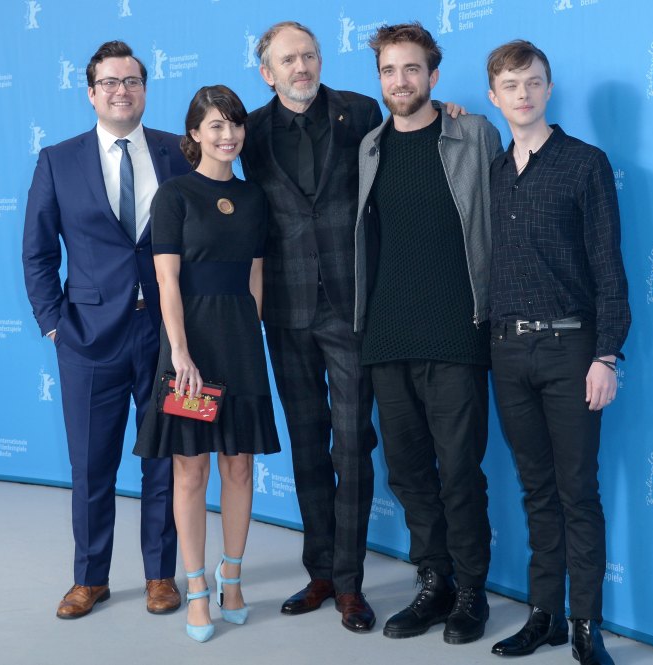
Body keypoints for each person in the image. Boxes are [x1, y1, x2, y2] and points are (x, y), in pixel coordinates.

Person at [22, 40, 189, 619]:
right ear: (91, 93)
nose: (122, 91)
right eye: (111, 82)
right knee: (91, 465)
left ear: (145, 90)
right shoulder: (57, 160)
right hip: (88, 339)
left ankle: (161, 575)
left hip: (166, 337)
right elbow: (38, 252)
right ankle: (89, 578)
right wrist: (53, 325)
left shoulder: (179, 152)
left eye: (133, 81)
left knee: (164, 458)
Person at [353, 22, 502, 646]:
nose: (400, 80)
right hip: (388, 334)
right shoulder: (370, 146)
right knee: (408, 472)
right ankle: (434, 581)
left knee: (460, 471)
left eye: (411, 68)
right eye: (389, 70)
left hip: (457, 332)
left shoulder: (474, 133)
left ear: (433, 76)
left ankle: (471, 590)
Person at [484, 40, 630, 665]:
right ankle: (543, 615)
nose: (523, 94)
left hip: (572, 349)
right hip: (507, 350)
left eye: (533, 82)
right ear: (494, 96)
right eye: (511, 85)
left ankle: (585, 627)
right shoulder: (493, 172)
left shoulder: (585, 164)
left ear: (549, 89)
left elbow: (608, 267)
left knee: (578, 492)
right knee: (535, 490)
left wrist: (607, 355)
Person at [239, 21, 382, 633]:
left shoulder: (362, 111)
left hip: (352, 305)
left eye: (309, 55)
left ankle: (350, 583)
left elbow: (410, 139)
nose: (302, 67)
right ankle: (320, 571)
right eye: (288, 60)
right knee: (306, 443)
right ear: (267, 73)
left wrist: (451, 112)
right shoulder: (249, 132)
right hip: (286, 308)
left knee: (352, 445)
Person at [133, 85, 281, 642]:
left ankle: (231, 577)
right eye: (216, 125)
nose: (228, 135)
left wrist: (251, 334)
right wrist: (179, 353)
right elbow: (166, 280)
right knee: (191, 468)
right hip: (189, 348)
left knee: (239, 466)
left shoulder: (254, 197)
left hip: (240, 343)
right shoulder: (174, 195)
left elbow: (256, 274)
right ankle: (196, 587)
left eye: (235, 124)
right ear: (194, 133)